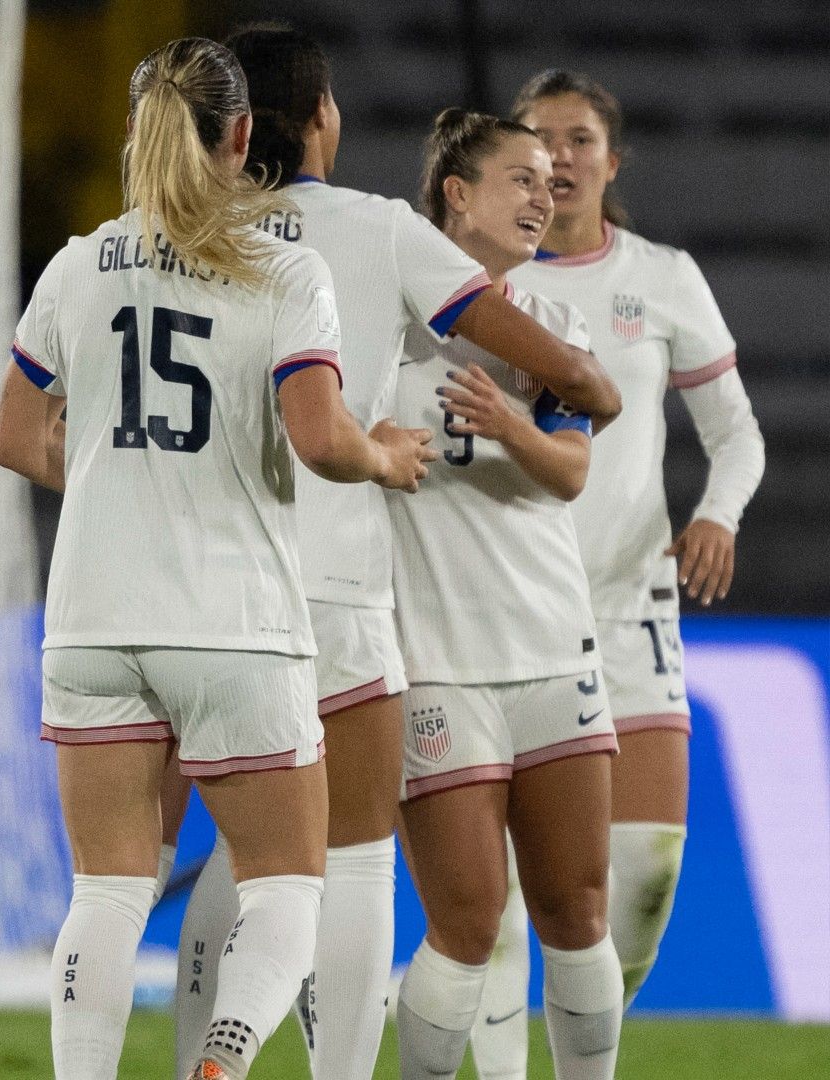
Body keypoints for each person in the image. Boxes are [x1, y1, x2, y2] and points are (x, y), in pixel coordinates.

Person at [168, 26, 625, 1080]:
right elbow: (579, 387)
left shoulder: (171, 236)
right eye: (520, 175)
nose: (544, 193)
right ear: (322, 118)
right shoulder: (387, 247)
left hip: (205, 594)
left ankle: (205, 1053)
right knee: (366, 873)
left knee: (218, 864)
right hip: (359, 610)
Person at [0, 37, 435, 1080]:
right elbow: (323, 438)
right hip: (234, 621)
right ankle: (225, 1059)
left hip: (95, 617)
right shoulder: (285, 268)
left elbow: (15, 440)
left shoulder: (76, 262)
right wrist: (384, 454)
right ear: (243, 137)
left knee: (105, 892)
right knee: (289, 886)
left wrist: (114, 478)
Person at [463, 69, 767, 1079]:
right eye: (540, 140)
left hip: (629, 601)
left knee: (641, 875)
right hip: (501, 604)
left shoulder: (664, 277)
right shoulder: (475, 283)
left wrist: (716, 515)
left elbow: (738, 437)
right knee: (495, 895)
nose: (560, 157)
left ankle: (580, 1043)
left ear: (611, 158)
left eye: (580, 138)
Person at [388, 109, 624, 1080]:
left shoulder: (553, 329)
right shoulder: (378, 323)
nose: (546, 194)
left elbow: (568, 469)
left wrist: (506, 424)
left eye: (552, 179)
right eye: (521, 178)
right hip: (437, 660)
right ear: (456, 192)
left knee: (577, 911)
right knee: (468, 923)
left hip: (549, 644)